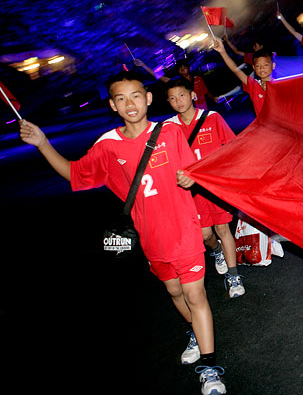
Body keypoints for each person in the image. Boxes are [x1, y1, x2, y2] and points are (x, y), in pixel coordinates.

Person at [19, 70, 226, 394]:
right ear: (114, 106)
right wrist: (43, 143)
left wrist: (190, 178)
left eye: (135, 96)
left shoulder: (169, 132)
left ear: (147, 99)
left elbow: (192, 172)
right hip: (152, 240)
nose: (129, 104)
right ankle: (195, 334)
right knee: (174, 293)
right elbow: (74, 174)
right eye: (121, 98)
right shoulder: (108, 146)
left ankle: (211, 367)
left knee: (195, 295)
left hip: (185, 231)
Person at [166, 77, 245, 298]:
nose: (178, 101)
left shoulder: (212, 118)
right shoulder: (169, 128)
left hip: (213, 187)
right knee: (205, 235)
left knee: (223, 230)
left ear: (192, 95)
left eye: (182, 95)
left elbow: (231, 147)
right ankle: (217, 251)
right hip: (189, 191)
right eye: (172, 98)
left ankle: (233, 276)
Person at [212, 38, 274, 116]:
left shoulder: (280, 85)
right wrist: (223, 52)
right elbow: (236, 70)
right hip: (264, 126)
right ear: (254, 68)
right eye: (258, 66)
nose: (262, 68)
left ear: (273, 65)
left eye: (266, 65)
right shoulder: (253, 85)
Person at [134, 57, 214, 110]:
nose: (182, 70)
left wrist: (214, 98)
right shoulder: (178, 82)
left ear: (189, 68)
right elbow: (159, 76)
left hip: (203, 110)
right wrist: (143, 65)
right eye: (180, 69)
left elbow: (206, 92)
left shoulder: (198, 79)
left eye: (184, 68)